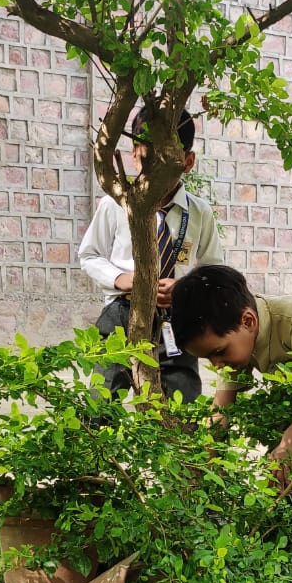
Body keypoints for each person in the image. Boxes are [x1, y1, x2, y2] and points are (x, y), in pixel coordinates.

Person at [170, 264, 292, 565]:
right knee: (283, 472)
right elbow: (221, 410)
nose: (217, 363)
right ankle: (291, 556)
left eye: (219, 352)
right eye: (208, 357)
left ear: (248, 321)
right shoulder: (238, 339)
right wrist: (205, 463)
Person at [77, 107, 222, 402]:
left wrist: (186, 289)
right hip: (122, 313)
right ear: (134, 155)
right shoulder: (115, 205)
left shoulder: (199, 213)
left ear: (188, 162)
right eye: (147, 159)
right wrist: (120, 278)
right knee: (100, 402)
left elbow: (213, 270)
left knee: (182, 402)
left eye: (166, 163)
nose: (155, 172)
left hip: (176, 320)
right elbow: (89, 255)